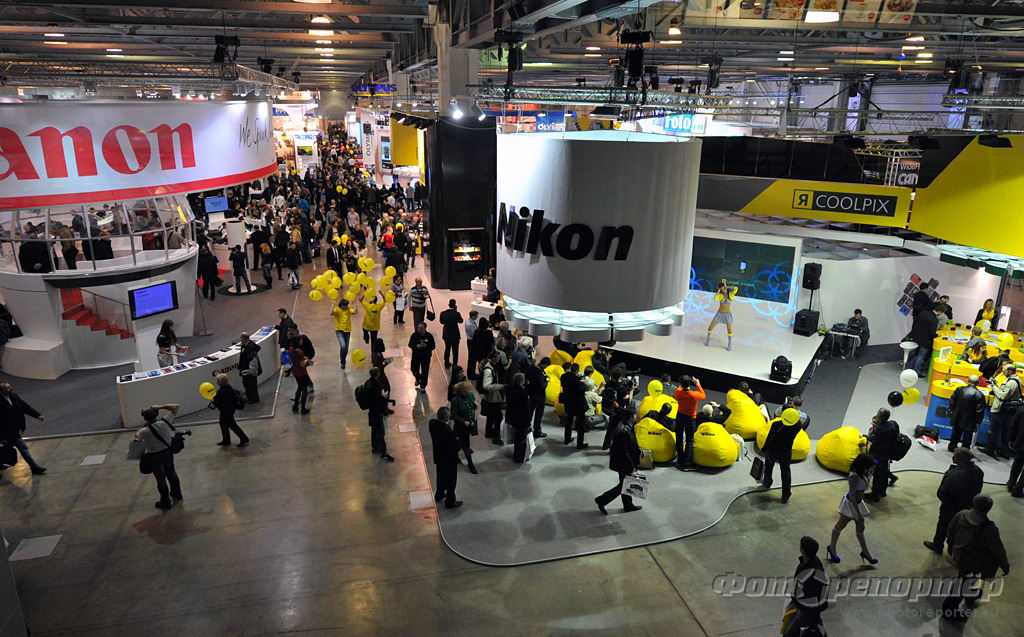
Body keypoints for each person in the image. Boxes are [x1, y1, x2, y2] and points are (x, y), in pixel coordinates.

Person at [942, 494, 1010, 623]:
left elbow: (951, 529)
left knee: (966, 579)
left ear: (974, 503)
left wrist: (950, 545)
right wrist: (1005, 565)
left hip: (958, 553)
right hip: (972, 561)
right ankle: (949, 610)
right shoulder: (989, 528)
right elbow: (998, 549)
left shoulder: (961, 514)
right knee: (963, 583)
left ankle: (971, 595)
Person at [924, 448, 984, 554]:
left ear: (961, 458)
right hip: (967, 505)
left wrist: (943, 499)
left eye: (955, 456)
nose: (953, 458)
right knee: (959, 528)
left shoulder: (956, 474)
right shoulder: (978, 471)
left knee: (943, 525)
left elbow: (945, 491)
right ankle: (953, 550)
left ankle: (938, 545)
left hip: (951, 506)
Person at [826, 453, 878, 565]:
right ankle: (832, 548)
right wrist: (858, 514)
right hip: (851, 504)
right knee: (840, 525)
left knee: (860, 528)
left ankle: (865, 552)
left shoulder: (862, 472)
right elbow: (853, 496)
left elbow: (874, 465)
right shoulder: (854, 476)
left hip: (858, 503)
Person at [595, 407, 642, 515]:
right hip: (623, 463)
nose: (636, 416)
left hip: (624, 462)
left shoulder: (627, 426)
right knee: (624, 485)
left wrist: (639, 450)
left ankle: (628, 505)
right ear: (631, 417)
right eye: (635, 414)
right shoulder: (623, 431)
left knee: (625, 484)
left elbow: (632, 442)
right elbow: (623, 452)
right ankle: (602, 500)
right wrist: (631, 467)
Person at [135, 404, 182, 509]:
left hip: (154, 457)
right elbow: (175, 406)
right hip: (167, 453)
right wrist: (159, 407)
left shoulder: (144, 431)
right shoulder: (165, 422)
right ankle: (177, 493)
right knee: (172, 473)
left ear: (145, 419)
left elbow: (136, 435)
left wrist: (146, 423)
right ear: (156, 415)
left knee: (161, 479)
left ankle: (165, 502)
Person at [783, 537, 829, 637]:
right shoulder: (809, 561)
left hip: (806, 609)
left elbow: (814, 597)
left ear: (802, 550)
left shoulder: (812, 572)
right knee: (816, 624)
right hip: (804, 605)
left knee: (790, 633)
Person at [0, 383, 47, 475]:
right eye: (7, 388)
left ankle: (34, 467)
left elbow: (25, 407)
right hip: (7, 433)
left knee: (17, 449)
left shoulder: (14, 396)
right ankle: (34, 467)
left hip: (14, 431)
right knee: (23, 449)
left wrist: (37, 415)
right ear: (1, 391)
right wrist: (1, 437)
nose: (10, 388)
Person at [761, 411, 803, 503]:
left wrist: (764, 448)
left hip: (772, 451)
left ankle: (767, 482)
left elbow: (770, 438)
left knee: (768, 467)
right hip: (786, 451)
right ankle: (786, 494)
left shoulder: (776, 425)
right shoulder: (797, 425)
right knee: (786, 472)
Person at [984, 363, 1020, 459]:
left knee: (993, 431)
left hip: (1001, 410)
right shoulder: (1016, 380)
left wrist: (994, 387)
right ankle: (1005, 452)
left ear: (1010, 372)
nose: (1003, 374)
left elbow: (1002, 396)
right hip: (1008, 410)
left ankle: (990, 450)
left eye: (1004, 372)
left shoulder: (1011, 382)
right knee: (1006, 432)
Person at [429, 406, 462, 509]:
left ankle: (439, 494)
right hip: (449, 460)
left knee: (440, 477)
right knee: (451, 481)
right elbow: (457, 446)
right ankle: (450, 501)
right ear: (447, 417)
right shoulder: (448, 431)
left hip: (439, 457)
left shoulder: (432, 424)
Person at [865, 408, 900, 502]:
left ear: (879, 416)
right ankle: (883, 491)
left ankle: (875, 495)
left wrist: (869, 456)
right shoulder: (894, 424)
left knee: (877, 475)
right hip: (888, 454)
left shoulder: (879, 429)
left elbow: (875, 445)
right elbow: (897, 437)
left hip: (878, 456)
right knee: (884, 472)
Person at [673, 375, 705, 472]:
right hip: (690, 418)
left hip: (680, 416)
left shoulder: (678, 393)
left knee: (679, 438)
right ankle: (687, 464)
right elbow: (703, 395)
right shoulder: (694, 395)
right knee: (689, 440)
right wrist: (698, 384)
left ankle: (680, 459)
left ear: (681, 384)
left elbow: (678, 390)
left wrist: (681, 385)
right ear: (690, 384)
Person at [947, 375, 986, 451]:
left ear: (968, 380)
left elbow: (952, 401)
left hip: (958, 415)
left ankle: (952, 447)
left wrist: (953, 411)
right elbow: (980, 410)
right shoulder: (979, 394)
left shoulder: (959, 389)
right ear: (978, 382)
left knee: (956, 433)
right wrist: (978, 421)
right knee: (967, 436)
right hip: (971, 419)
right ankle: (964, 451)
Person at [906, 303, 944, 378]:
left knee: (917, 354)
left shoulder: (923, 313)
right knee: (921, 356)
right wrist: (937, 335)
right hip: (925, 340)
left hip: (916, 337)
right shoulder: (934, 320)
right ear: (939, 312)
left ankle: (908, 369)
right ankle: (916, 372)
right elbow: (932, 333)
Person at [364, 367, 394, 462]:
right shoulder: (373, 387)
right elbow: (377, 400)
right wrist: (384, 396)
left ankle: (375, 447)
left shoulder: (368, 383)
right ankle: (383, 452)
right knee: (380, 432)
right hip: (377, 412)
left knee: (374, 429)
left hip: (372, 411)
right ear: (378, 374)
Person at [212, 374, 250, 448]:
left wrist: (213, 401)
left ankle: (243, 438)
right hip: (230, 409)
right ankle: (226, 439)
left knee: (232, 425)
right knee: (223, 423)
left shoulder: (221, 392)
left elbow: (218, 402)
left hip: (225, 411)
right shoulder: (228, 387)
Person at [449, 380, 479, 474]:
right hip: (461, 427)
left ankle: (454, 454)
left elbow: (472, 407)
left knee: (460, 443)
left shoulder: (470, 396)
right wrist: (463, 421)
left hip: (469, 425)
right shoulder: (455, 400)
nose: (468, 390)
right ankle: (470, 464)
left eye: (468, 388)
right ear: (460, 390)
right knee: (466, 445)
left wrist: (474, 405)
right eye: (465, 389)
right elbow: (454, 415)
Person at [479, 352, 506, 446]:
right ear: (493, 358)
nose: (499, 359)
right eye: (498, 357)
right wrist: (500, 386)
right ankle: (495, 436)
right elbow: (486, 386)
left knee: (491, 416)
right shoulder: (489, 370)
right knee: (498, 417)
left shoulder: (491, 366)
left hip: (490, 397)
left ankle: (489, 432)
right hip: (492, 397)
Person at [561, 363, 588, 450]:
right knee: (581, 424)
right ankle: (580, 443)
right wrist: (583, 383)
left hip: (568, 402)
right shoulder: (577, 381)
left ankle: (567, 438)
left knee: (569, 421)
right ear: (577, 371)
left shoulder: (564, 377)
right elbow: (581, 390)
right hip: (578, 404)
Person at [705, 280, 738, 351]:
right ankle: (707, 339)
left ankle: (729, 344)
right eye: (721, 289)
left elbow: (736, 288)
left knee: (729, 330)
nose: (723, 290)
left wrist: (727, 286)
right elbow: (715, 298)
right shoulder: (720, 295)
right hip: (719, 314)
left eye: (723, 289)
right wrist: (718, 291)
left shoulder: (731, 294)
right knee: (710, 328)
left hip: (727, 315)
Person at [507, 373, 532, 463]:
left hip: (512, 416)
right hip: (521, 420)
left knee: (517, 436)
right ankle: (519, 456)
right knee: (521, 438)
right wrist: (528, 423)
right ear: (522, 381)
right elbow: (525, 410)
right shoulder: (522, 393)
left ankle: (516, 453)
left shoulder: (510, 388)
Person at [524, 355, 549, 439]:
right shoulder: (540, 373)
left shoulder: (531, 368)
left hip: (531, 394)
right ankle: (537, 431)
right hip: (540, 396)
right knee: (539, 414)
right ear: (545, 364)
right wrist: (546, 381)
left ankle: (526, 428)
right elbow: (542, 386)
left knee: (529, 412)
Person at [408, 322, 436, 393]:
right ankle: (418, 378)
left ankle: (423, 386)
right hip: (416, 355)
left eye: (421, 328)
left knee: (425, 371)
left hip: (425, 356)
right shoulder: (414, 335)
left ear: (425, 328)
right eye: (418, 328)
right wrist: (416, 346)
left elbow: (433, 346)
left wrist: (426, 346)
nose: (419, 330)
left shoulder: (429, 336)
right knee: (413, 369)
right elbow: (410, 344)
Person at [288, 336, 312, 414]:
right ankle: (303, 409)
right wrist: (306, 360)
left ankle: (295, 406)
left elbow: (291, 359)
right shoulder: (300, 352)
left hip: (295, 371)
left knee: (299, 388)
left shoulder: (291, 349)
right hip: (301, 372)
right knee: (304, 390)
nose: (302, 341)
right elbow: (302, 364)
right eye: (301, 340)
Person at [237, 332, 262, 404]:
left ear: (243, 338)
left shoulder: (250, 348)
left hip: (249, 370)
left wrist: (250, 370)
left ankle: (254, 398)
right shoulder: (245, 346)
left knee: (251, 384)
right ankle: (250, 397)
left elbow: (252, 361)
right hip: (245, 369)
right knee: (246, 384)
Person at [438, 299, 464, 369]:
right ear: (455, 305)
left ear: (448, 305)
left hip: (446, 334)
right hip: (455, 335)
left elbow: (441, 322)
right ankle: (455, 364)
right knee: (455, 351)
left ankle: (446, 363)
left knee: (447, 349)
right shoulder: (456, 314)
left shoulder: (443, 313)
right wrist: (456, 311)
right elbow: (461, 321)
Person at [331, 298, 355, 368]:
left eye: (347, 305)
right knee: (343, 346)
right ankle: (343, 362)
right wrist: (333, 304)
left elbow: (355, 312)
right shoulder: (337, 310)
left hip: (347, 331)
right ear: (341, 305)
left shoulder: (348, 309)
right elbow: (331, 313)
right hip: (339, 330)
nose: (346, 307)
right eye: (345, 306)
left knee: (346, 349)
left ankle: (343, 360)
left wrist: (354, 304)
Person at [470, 317, 494, 381]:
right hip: (487, 350)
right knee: (486, 363)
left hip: (479, 350)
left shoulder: (476, 332)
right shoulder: (489, 332)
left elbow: (474, 341)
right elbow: (492, 341)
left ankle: (480, 375)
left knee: (480, 363)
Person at [465, 310, 480, 379]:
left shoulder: (469, 321)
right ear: (473, 316)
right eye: (476, 316)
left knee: (472, 358)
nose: (477, 317)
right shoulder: (470, 325)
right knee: (472, 358)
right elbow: (473, 335)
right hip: (472, 342)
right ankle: (471, 374)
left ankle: (471, 373)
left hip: (471, 341)